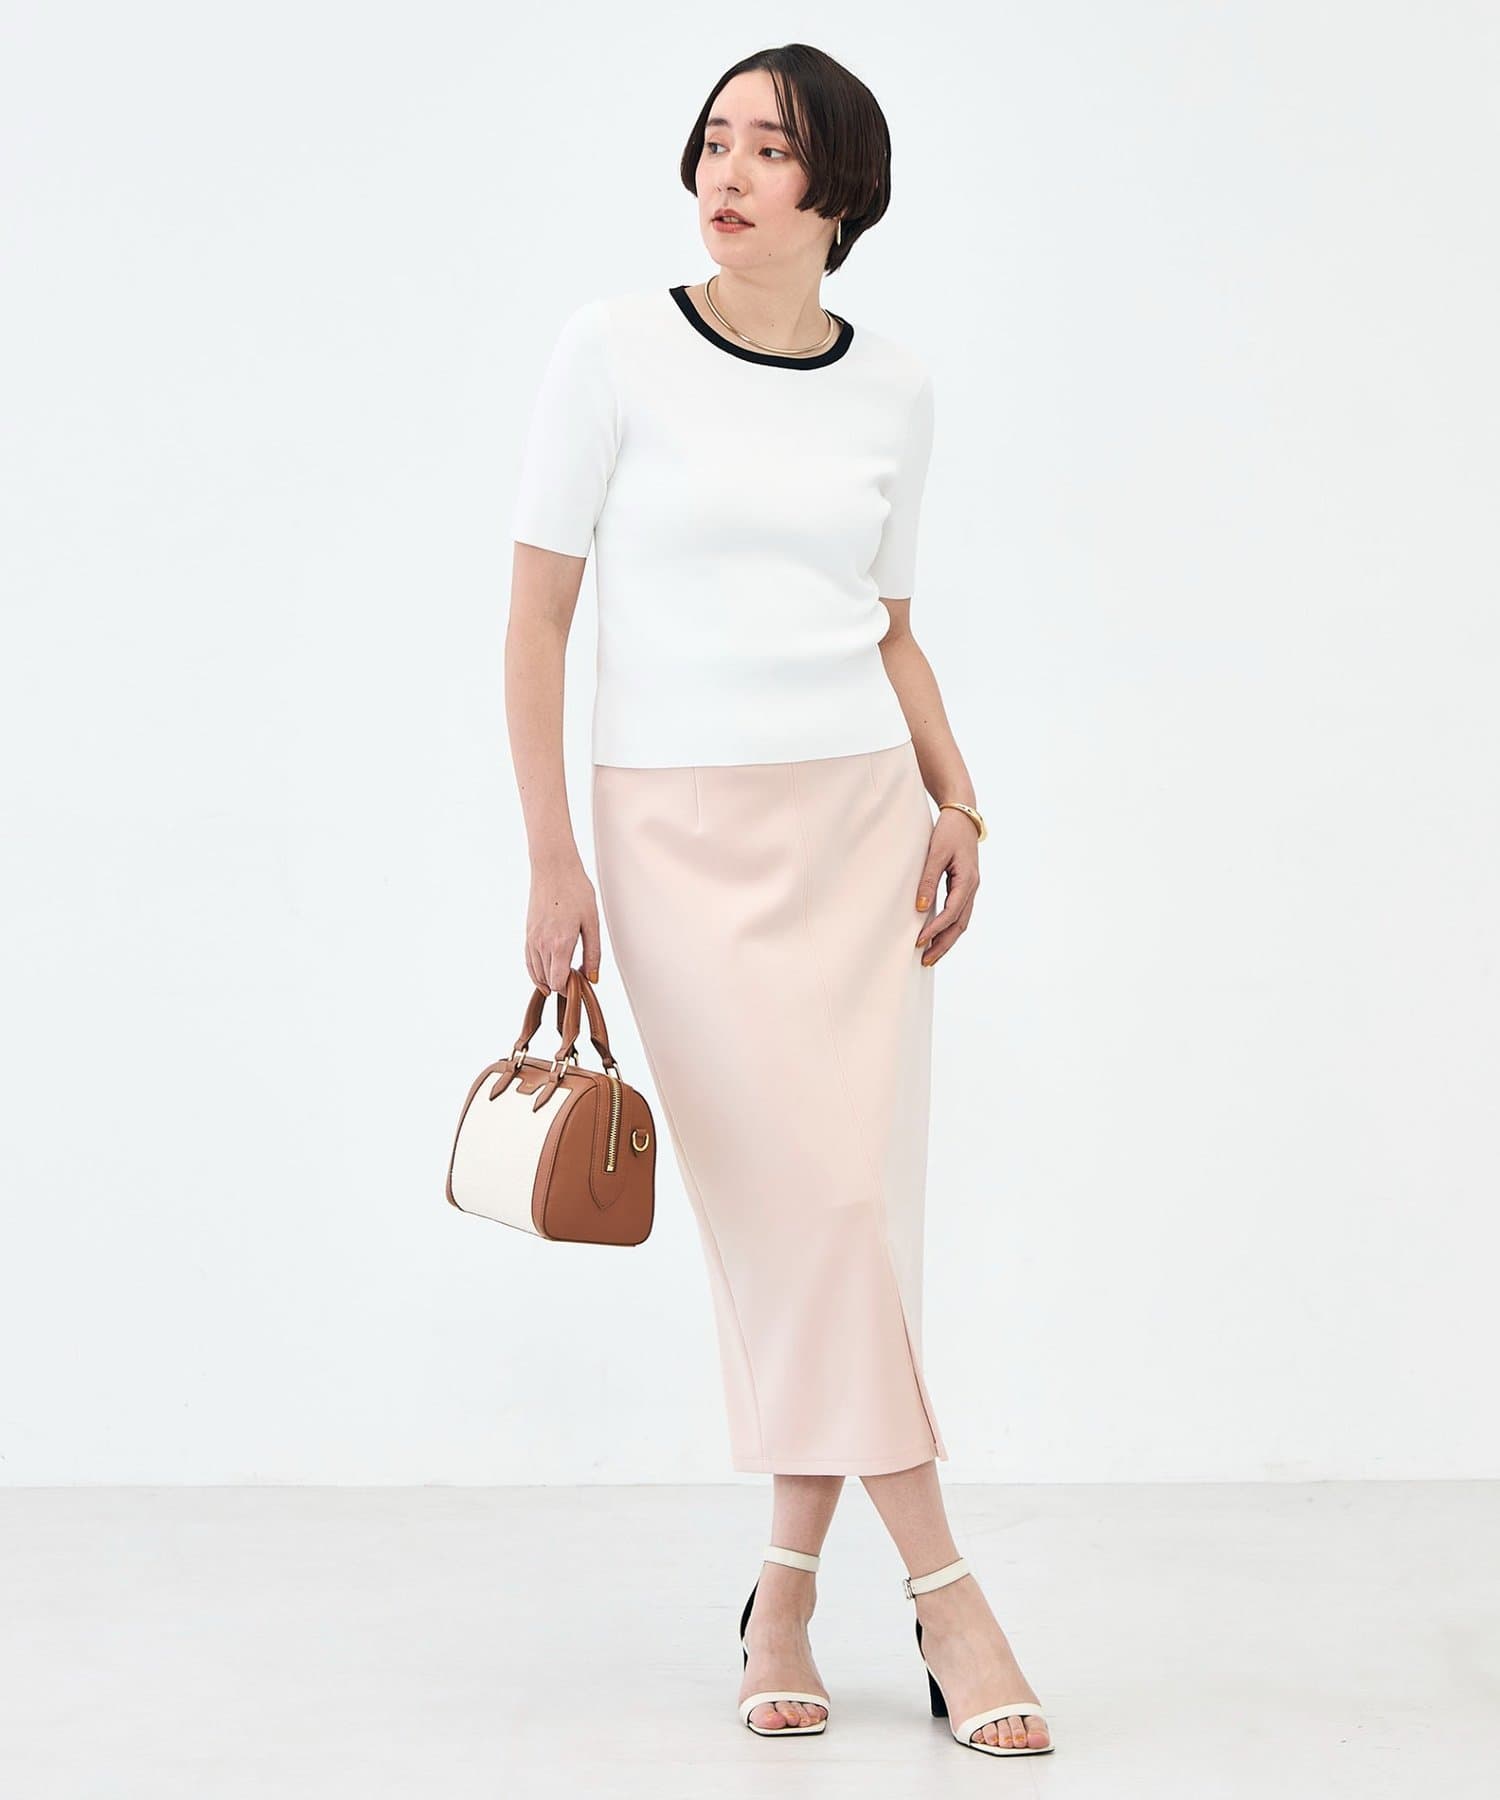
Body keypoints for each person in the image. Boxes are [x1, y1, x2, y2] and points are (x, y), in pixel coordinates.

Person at [503, 43, 1052, 1759]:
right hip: (675, 835)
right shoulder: (609, 350)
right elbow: (536, 621)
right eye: (715, 142)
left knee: (846, 1218)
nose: (727, 175)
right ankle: (948, 1589)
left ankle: (787, 1594)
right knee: (806, 1214)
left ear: (840, 193)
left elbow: (891, 628)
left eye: (771, 150)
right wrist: (551, 854)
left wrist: (959, 797)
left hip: (861, 827)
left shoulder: (895, 389)